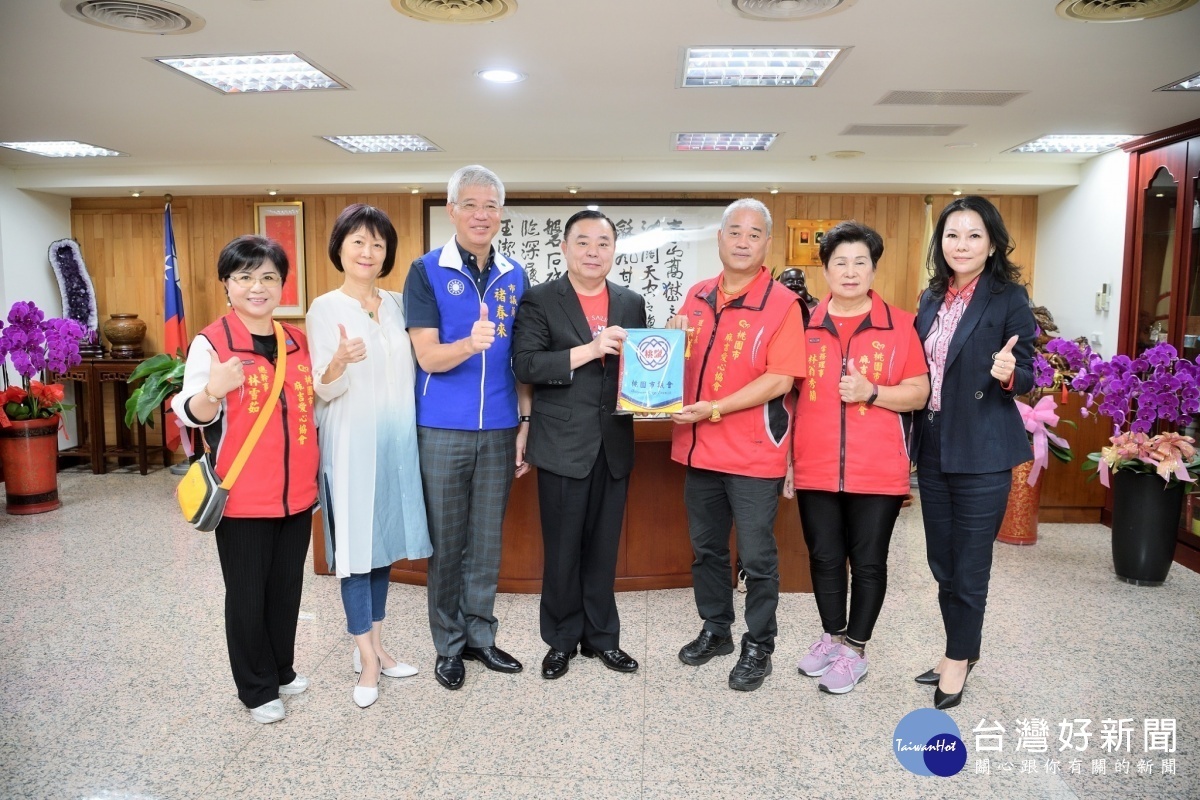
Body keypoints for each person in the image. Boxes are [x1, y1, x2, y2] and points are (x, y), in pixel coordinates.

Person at [171, 235, 319, 724]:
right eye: (245, 277)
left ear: (282, 284)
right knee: (248, 593)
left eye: (269, 277)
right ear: (227, 285)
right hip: (242, 499)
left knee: (285, 590)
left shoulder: (294, 339)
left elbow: (306, 406)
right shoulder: (211, 342)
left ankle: (280, 668)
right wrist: (213, 390)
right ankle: (254, 688)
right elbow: (190, 411)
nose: (258, 287)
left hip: (296, 493)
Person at [782, 221, 930, 695]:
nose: (849, 272)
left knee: (867, 562)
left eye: (860, 262)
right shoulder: (802, 324)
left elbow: (919, 392)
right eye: (839, 262)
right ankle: (831, 636)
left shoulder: (901, 323)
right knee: (824, 557)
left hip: (878, 466)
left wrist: (873, 391)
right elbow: (787, 397)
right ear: (824, 269)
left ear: (873, 268)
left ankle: (856, 650)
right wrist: (786, 461)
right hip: (814, 463)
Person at [667, 198, 807, 692]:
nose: (743, 241)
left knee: (756, 555)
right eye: (734, 232)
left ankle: (759, 644)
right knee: (706, 549)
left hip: (751, 453)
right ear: (720, 239)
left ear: (767, 243)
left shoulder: (783, 305)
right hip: (698, 447)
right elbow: (675, 363)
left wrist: (717, 407)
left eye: (754, 234)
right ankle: (716, 629)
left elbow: (781, 378)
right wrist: (669, 335)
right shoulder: (698, 294)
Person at [403, 165, 532, 690]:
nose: (482, 215)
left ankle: (481, 636)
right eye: (471, 204)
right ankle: (449, 645)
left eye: (491, 206)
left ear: (501, 214)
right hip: (442, 428)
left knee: (486, 542)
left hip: (501, 427)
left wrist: (524, 423)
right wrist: (469, 344)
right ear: (452, 209)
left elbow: (522, 361)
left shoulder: (515, 275)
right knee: (448, 543)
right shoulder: (426, 271)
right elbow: (428, 356)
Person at [512, 210, 648, 680]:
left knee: (604, 549)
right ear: (565, 248)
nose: (594, 252)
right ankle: (561, 640)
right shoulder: (540, 300)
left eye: (603, 243)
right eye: (583, 242)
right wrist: (591, 349)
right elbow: (527, 364)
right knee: (563, 549)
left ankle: (602, 639)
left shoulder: (632, 302)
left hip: (613, 444)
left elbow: (640, 372)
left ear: (614, 250)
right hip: (562, 444)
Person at [307, 204, 433, 709]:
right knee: (356, 552)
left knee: (380, 546)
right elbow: (319, 391)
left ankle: (374, 647)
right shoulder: (325, 308)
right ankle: (368, 656)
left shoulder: (401, 305)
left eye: (377, 244)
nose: (367, 252)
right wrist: (337, 362)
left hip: (397, 444)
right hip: (351, 445)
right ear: (339, 247)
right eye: (357, 241)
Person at [913, 195, 1036, 710]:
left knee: (970, 564)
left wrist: (1010, 376)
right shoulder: (930, 297)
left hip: (983, 447)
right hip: (935, 441)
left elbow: (1029, 373)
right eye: (952, 235)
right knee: (941, 561)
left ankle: (958, 659)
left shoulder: (1008, 297)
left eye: (974, 236)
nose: (961, 245)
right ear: (940, 243)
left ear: (992, 244)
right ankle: (962, 646)